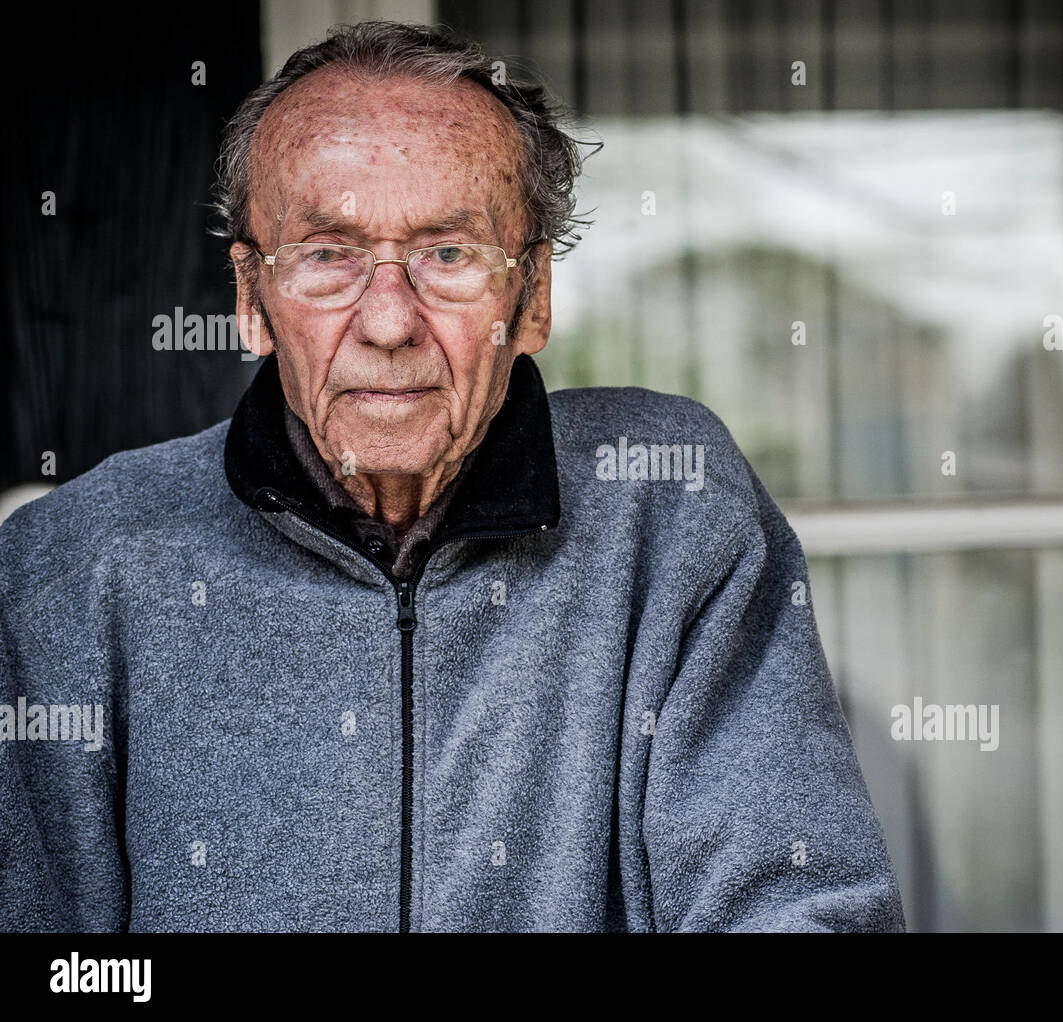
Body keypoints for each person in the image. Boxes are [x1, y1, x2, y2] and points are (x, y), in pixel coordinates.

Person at [0, 21, 904, 932]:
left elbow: (799, 911)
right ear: (250, 299)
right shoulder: (69, 572)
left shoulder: (670, 509)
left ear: (533, 296)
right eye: (327, 255)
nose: (389, 321)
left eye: (448, 254)